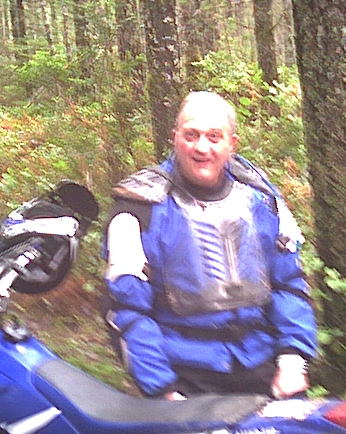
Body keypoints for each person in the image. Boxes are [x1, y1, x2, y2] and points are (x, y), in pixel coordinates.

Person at [103, 91, 317, 401]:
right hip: (185, 374)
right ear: (175, 138)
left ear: (232, 144)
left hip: (264, 364)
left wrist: (292, 360)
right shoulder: (139, 208)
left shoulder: (261, 198)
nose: (202, 148)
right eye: (191, 135)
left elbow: (289, 284)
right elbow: (126, 310)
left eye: (214, 137)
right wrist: (163, 389)